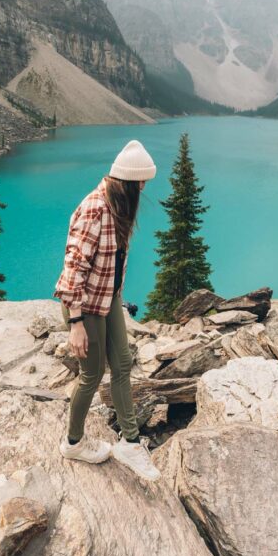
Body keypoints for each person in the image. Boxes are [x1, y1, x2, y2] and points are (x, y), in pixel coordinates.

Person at [53, 139, 160, 482]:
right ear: (126, 181)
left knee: (124, 365)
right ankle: (73, 442)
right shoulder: (95, 208)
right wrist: (76, 323)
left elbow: (110, 263)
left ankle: (130, 442)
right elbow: (73, 268)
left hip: (108, 299)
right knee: (91, 375)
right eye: (140, 182)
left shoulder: (118, 207)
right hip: (84, 307)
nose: (143, 187)